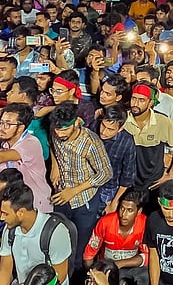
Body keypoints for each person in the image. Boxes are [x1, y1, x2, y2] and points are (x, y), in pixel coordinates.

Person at [47, 102, 112, 269]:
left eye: (63, 130)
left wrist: (73, 191)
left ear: (76, 122)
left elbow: (105, 173)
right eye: (57, 129)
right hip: (61, 196)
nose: (59, 133)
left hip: (84, 201)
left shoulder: (90, 142)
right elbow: (51, 139)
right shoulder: (56, 130)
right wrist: (55, 165)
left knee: (78, 249)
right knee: (58, 242)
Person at [0, 182, 72, 285]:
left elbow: (59, 277)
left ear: (21, 213)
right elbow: (4, 271)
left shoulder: (56, 232)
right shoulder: (9, 230)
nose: (2, 218)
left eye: (6, 213)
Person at [84, 188, 149, 285]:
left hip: (132, 269)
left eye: (130, 210)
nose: (123, 214)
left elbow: (147, 256)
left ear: (139, 211)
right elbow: (89, 255)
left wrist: (119, 264)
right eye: (122, 208)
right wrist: (92, 275)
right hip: (106, 270)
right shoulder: (105, 223)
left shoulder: (144, 223)